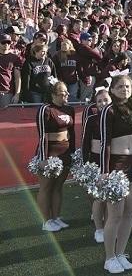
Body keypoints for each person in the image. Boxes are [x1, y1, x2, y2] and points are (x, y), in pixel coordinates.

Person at [99, 75, 132, 273]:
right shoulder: (108, 110)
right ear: (113, 90)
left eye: (127, 86)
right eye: (120, 87)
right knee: (115, 215)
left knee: (128, 213)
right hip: (116, 165)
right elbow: (104, 143)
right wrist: (105, 171)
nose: (124, 89)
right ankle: (109, 257)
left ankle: (121, 252)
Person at [35, 81, 75, 232]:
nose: (67, 95)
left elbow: (72, 133)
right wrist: (44, 158)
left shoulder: (70, 109)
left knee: (58, 187)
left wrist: (72, 152)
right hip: (50, 153)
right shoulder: (45, 110)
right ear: (53, 94)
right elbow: (42, 136)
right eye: (63, 93)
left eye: (67, 92)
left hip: (64, 153)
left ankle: (56, 218)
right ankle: (46, 221)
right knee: (46, 187)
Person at [81, 86, 111, 244]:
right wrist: (85, 164)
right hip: (96, 161)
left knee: (110, 198)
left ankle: (110, 226)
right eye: (99, 101)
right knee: (99, 198)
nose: (102, 103)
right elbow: (85, 143)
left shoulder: (114, 117)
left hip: (113, 161)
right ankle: (99, 229)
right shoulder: (91, 120)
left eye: (106, 100)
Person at [0, 33, 22, 108]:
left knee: (6, 117)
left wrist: (17, 94)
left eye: (8, 42)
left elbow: (17, 77)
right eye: (3, 42)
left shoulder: (15, 58)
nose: (6, 44)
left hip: (7, 92)